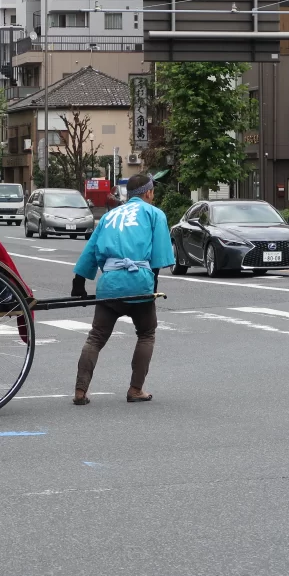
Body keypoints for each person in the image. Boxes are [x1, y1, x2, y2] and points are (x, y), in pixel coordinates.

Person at [70, 173, 174, 405]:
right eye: (153, 191)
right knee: (146, 333)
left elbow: (91, 250)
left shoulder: (110, 216)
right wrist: (151, 287)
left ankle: (80, 391)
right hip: (139, 282)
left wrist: (79, 284)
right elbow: (158, 258)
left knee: (96, 337)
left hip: (110, 284)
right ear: (148, 193)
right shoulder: (154, 214)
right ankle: (135, 389)